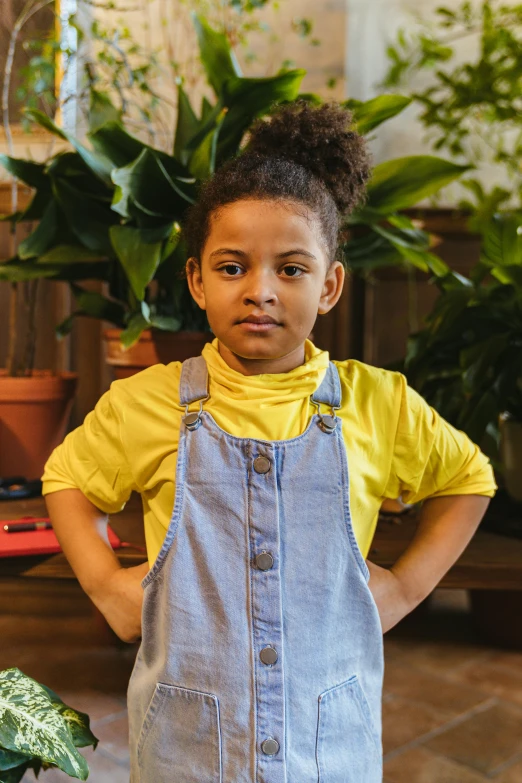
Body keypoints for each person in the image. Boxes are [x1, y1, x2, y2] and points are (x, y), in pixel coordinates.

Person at [42, 100, 497, 783]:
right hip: (186, 751)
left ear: (330, 285)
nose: (260, 291)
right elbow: (67, 476)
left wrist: (404, 589)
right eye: (232, 268)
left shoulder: (378, 403)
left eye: (290, 269)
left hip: (328, 752)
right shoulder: (148, 401)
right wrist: (105, 584)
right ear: (195, 279)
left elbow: (469, 478)